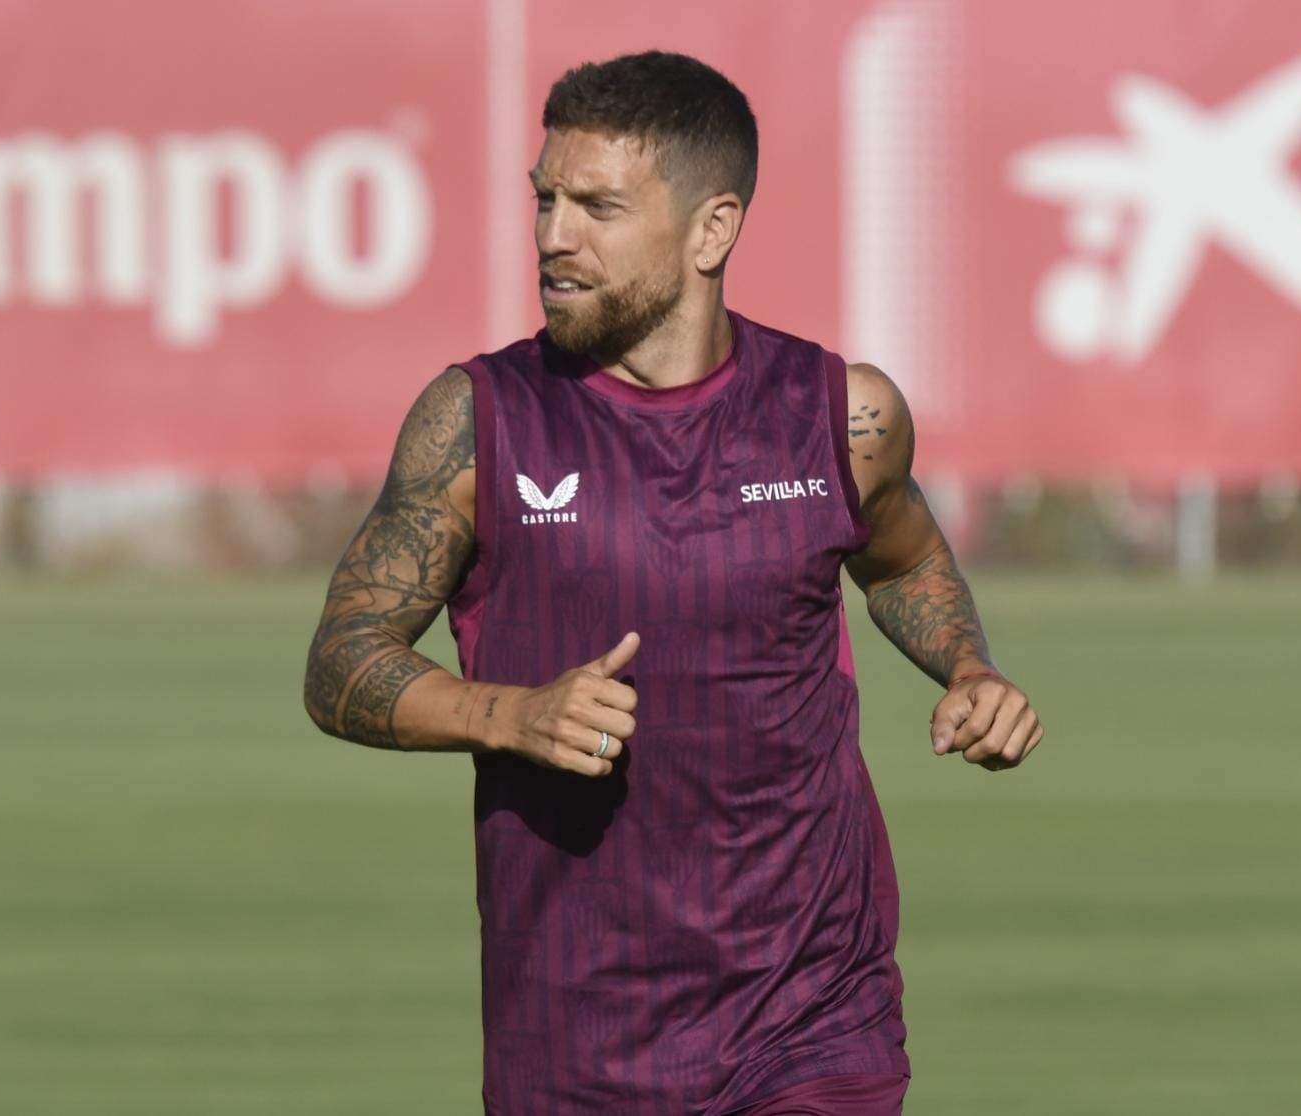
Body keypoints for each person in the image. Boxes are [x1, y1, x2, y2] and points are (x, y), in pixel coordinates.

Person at [303, 49, 1043, 1115]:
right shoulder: (478, 420)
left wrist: (968, 667)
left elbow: (907, 556)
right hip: (574, 1045)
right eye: (544, 199)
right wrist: (510, 715)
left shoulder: (843, 417)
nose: (554, 236)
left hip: (814, 1022)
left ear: (712, 230)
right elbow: (338, 664)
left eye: (597, 207)